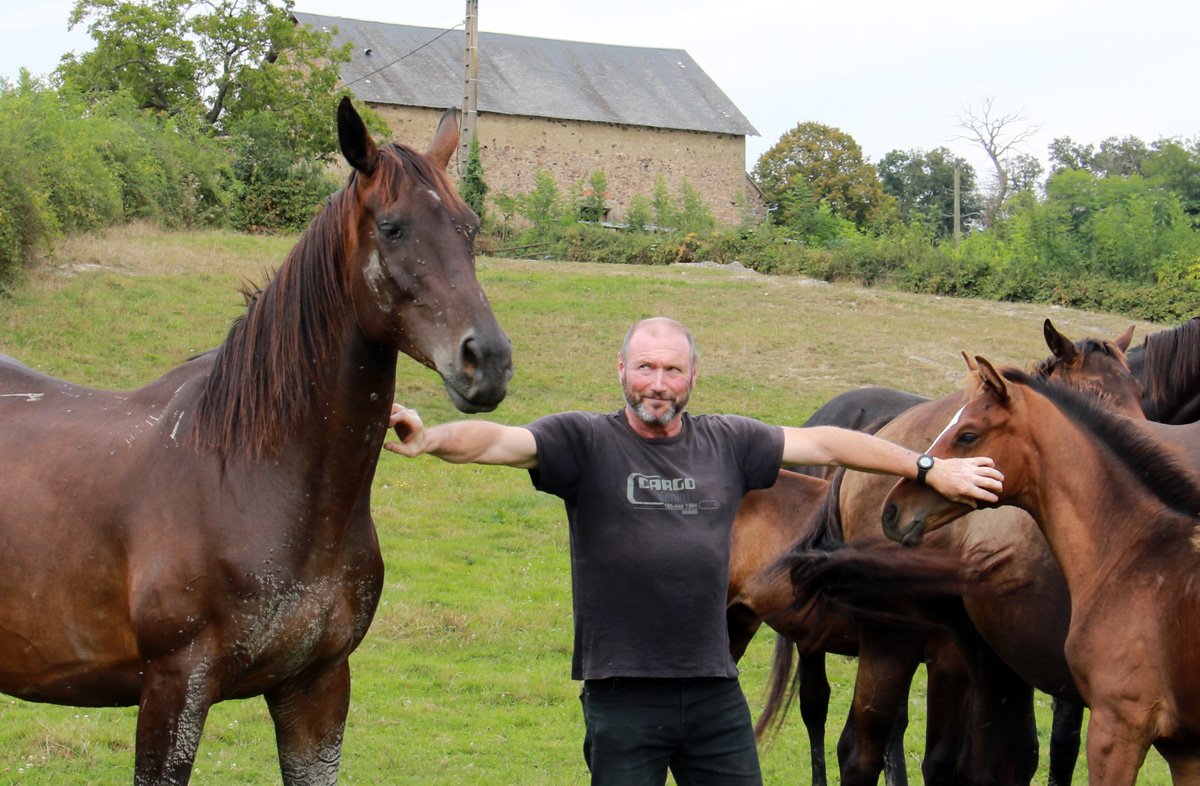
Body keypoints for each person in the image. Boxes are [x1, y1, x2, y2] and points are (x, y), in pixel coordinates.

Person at [385, 316, 1002, 786]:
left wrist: (929, 468)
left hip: (713, 693)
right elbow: (498, 441)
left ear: (692, 378)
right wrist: (430, 437)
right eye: (646, 368)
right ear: (621, 370)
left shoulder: (726, 442)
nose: (658, 384)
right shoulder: (584, 440)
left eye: (672, 371)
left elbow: (828, 443)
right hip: (623, 695)